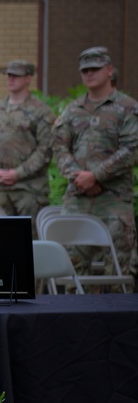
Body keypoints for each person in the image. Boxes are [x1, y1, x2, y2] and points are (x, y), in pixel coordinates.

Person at [52, 46, 137, 279]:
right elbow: (59, 146)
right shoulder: (72, 110)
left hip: (114, 201)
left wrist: (95, 176)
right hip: (78, 199)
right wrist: (79, 177)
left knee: (119, 271)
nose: (89, 74)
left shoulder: (128, 107)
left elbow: (132, 149)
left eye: (95, 69)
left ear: (110, 70)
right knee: (72, 270)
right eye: (85, 70)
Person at [0, 60, 55, 235]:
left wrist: (18, 173)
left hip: (29, 191)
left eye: (16, 76)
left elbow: (46, 149)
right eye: (9, 75)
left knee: (30, 245)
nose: (11, 79)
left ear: (28, 78)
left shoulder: (41, 111)